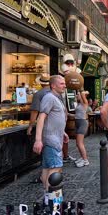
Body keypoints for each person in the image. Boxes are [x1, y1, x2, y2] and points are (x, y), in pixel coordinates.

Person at [32, 75, 69, 205]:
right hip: (51, 140)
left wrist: (62, 131)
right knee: (55, 169)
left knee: (47, 169)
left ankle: (48, 198)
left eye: (64, 83)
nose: (64, 85)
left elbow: (53, 118)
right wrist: (38, 140)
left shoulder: (55, 98)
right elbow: (41, 118)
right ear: (53, 85)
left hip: (55, 138)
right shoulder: (49, 98)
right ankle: (53, 201)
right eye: (61, 83)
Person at [73, 90, 89, 168]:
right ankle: (82, 157)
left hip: (82, 123)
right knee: (77, 143)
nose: (77, 95)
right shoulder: (79, 104)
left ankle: (85, 160)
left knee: (80, 143)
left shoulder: (84, 103)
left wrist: (84, 92)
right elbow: (77, 115)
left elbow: (83, 93)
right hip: (77, 122)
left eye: (78, 95)